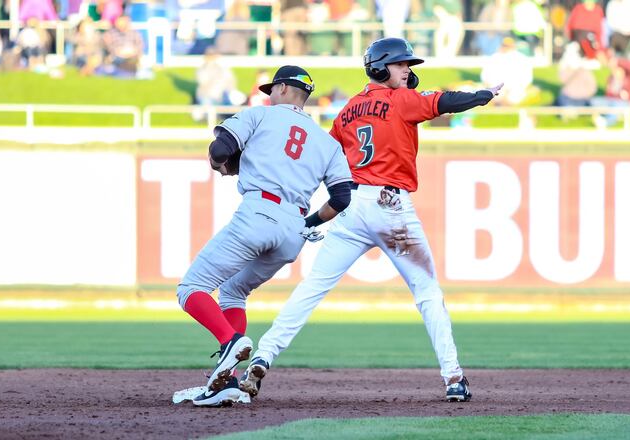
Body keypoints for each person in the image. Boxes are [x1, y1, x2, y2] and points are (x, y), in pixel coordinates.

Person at [240, 38, 502, 403]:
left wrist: (314, 215)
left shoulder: (347, 109)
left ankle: (263, 357)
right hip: (390, 206)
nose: (408, 70)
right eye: (401, 65)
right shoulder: (402, 100)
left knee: (312, 287)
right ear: (381, 67)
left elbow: (324, 159)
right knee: (427, 292)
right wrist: (482, 95)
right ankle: (454, 377)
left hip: (351, 208)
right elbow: (444, 102)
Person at [176, 65, 354, 407]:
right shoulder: (326, 142)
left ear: (285, 89)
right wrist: (310, 221)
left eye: (273, 88)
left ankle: (231, 341)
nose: (268, 94)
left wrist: (222, 165)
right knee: (233, 289)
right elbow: (342, 197)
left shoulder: (260, 115)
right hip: (295, 229)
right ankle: (223, 382)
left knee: (191, 288)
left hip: (259, 210)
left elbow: (220, 150)